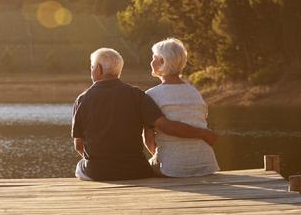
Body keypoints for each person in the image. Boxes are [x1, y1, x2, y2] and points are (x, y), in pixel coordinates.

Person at [72, 47, 217, 181]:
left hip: (98, 172)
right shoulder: (137, 95)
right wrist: (202, 133)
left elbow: (79, 146)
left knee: (80, 167)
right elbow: (164, 125)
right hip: (136, 170)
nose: (91, 71)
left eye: (92, 67)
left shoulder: (82, 99)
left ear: (98, 69)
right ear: (119, 71)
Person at [143, 38, 220, 177]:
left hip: (172, 168)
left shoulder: (151, 95)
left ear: (162, 62)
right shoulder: (194, 92)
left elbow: (148, 138)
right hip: (205, 164)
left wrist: (162, 157)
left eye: (154, 58)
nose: (151, 62)